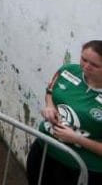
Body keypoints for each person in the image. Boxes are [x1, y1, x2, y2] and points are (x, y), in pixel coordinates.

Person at [26, 39, 102, 185]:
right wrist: (50, 106)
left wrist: (77, 139)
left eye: (94, 65)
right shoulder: (68, 71)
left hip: (81, 169)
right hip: (44, 149)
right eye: (83, 59)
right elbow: (50, 91)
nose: (85, 66)